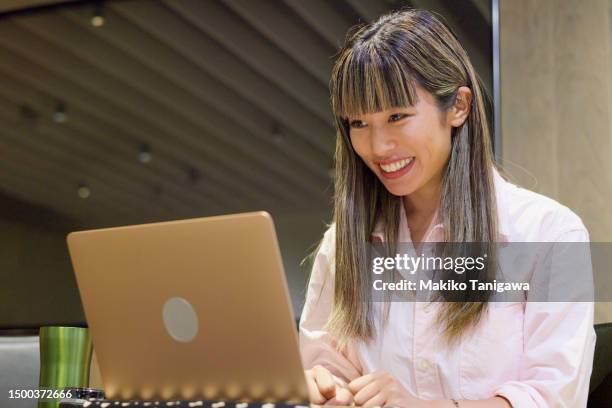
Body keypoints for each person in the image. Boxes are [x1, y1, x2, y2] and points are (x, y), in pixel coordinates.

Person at [299, 9, 596, 408]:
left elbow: (552, 397)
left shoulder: (549, 234)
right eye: (358, 123)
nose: (378, 146)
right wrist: (323, 387)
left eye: (397, 116)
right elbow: (326, 366)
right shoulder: (342, 246)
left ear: (458, 106)